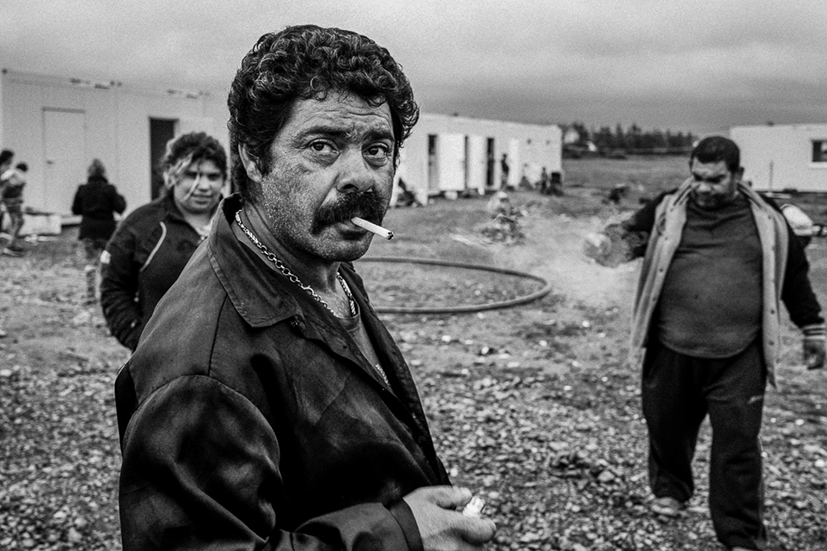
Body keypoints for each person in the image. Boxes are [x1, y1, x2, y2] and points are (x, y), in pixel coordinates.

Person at [114, 25, 496, 551]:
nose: (361, 177)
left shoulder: (317, 258)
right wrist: (400, 536)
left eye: (377, 149)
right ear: (254, 158)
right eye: (322, 146)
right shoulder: (203, 369)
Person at [585, 136, 825, 551]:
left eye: (715, 180)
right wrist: (603, 245)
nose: (703, 187)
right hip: (670, 345)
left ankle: (740, 534)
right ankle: (672, 490)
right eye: (697, 177)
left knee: (738, 445)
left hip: (739, 353)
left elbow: (794, 276)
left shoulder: (768, 219)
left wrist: (813, 328)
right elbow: (627, 240)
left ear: (738, 175)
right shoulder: (667, 208)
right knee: (665, 427)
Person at [100, 132, 227, 350]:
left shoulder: (239, 222)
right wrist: (140, 340)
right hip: (161, 360)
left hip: (230, 360)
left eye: (213, 176)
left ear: (224, 179)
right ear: (172, 175)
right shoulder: (142, 224)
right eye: (192, 175)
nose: (204, 186)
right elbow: (113, 287)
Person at [71, 159, 127, 304]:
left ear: (89, 172)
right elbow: (120, 207)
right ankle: (108, 294)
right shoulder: (109, 189)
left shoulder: (82, 189)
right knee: (108, 263)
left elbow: (75, 210)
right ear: (103, 172)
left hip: (88, 230)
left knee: (90, 262)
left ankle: (90, 294)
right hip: (107, 231)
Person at [1, 160, 28, 256]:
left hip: (11, 200)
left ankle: (13, 243)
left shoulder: (12, 173)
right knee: (18, 221)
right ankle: (11, 245)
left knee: (16, 221)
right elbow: (5, 183)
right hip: (12, 201)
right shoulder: (14, 174)